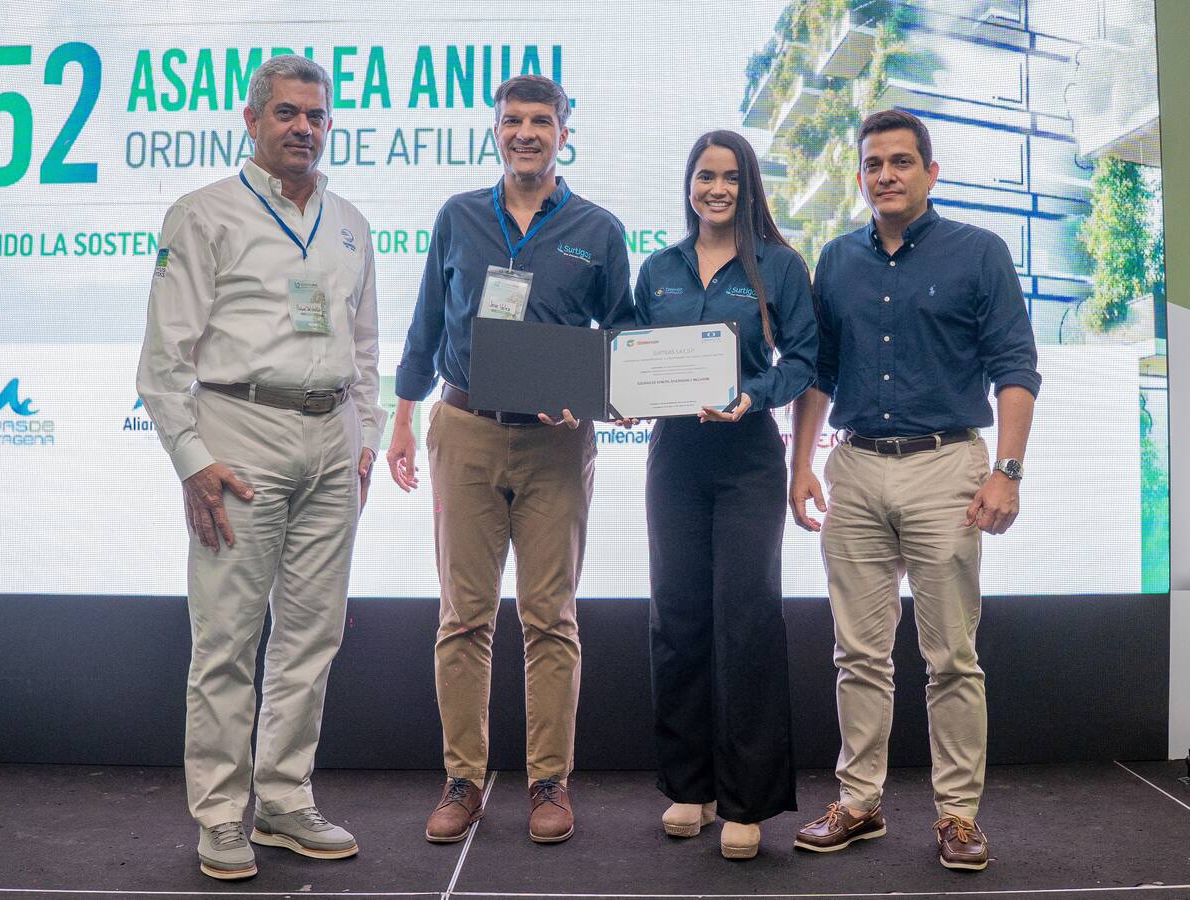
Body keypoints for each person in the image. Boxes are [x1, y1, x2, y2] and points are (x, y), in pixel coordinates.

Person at [137, 55, 385, 880]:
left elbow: (365, 344)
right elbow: (162, 362)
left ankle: (282, 801)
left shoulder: (351, 221)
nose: (302, 128)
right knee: (227, 641)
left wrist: (367, 437)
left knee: (311, 638)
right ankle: (218, 816)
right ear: (250, 121)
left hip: (331, 437)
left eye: (314, 115)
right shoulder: (203, 214)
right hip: (239, 437)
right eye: (285, 113)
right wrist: (192, 461)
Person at [789, 109, 1040, 871]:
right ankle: (859, 803)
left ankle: (958, 815)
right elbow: (819, 375)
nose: (886, 175)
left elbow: (1016, 369)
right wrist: (800, 463)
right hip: (856, 468)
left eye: (901, 162)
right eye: (873, 164)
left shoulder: (981, 253)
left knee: (951, 658)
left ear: (931, 172)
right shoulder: (834, 260)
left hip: (947, 468)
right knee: (857, 654)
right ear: (860, 177)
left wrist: (1008, 469)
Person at [387, 74, 633, 844]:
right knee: (462, 617)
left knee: (550, 618)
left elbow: (623, 340)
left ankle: (548, 781)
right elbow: (427, 321)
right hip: (463, 429)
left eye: (541, 120)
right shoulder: (459, 217)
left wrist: (597, 395)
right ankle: (463, 780)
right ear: (496, 130)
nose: (525, 132)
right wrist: (401, 420)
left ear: (565, 129)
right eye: (512, 120)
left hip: (557, 444)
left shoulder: (598, 228)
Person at [632, 130, 817, 859]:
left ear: (748, 187)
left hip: (747, 458)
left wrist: (755, 395)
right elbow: (632, 349)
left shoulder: (779, 265)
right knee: (676, 619)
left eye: (730, 178)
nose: (716, 188)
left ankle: (746, 801)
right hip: (673, 458)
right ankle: (692, 788)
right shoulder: (659, 269)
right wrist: (625, 393)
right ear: (688, 184)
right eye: (704, 176)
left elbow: (803, 358)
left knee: (744, 622)